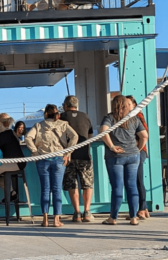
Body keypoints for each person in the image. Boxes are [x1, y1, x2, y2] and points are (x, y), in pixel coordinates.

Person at [25, 104, 77, 227]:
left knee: (45, 189)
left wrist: (35, 152)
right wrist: (67, 152)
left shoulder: (38, 125)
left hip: (42, 159)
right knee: (56, 189)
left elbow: (28, 137)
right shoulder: (63, 124)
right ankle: (56, 219)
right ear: (57, 115)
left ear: (45, 114)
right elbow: (75, 136)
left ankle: (45, 219)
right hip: (59, 158)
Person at [99, 94, 148, 225]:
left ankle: (113, 218)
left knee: (117, 188)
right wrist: (139, 149)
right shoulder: (134, 119)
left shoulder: (109, 118)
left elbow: (103, 131)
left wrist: (112, 146)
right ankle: (133, 217)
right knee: (132, 186)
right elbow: (144, 136)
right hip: (133, 156)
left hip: (116, 157)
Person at [61, 95, 94, 222]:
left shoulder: (63, 117)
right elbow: (90, 135)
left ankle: (77, 213)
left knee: (72, 184)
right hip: (84, 155)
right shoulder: (85, 116)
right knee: (87, 183)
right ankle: (87, 211)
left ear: (65, 106)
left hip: (68, 155)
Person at [126, 96, 151, 219]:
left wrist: (137, 148)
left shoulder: (137, 116)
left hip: (138, 151)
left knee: (138, 180)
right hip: (135, 151)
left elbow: (145, 134)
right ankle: (143, 208)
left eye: (128, 104)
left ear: (134, 104)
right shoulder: (131, 116)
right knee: (136, 180)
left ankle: (141, 208)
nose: (126, 106)